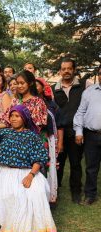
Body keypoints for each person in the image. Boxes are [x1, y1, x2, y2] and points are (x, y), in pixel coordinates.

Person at [52, 58, 85, 204]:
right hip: (59, 132)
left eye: (69, 68)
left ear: (74, 70)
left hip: (76, 132)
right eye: (63, 68)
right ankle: (55, 190)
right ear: (60, 71)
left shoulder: (84, 86)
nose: (66, 71)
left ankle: (76, 191)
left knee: (75, 163)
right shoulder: (53, 89)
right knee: (58, 162)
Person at [73, 65, 101, 205]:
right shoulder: (89, 92)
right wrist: (79, 131)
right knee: (91, 167)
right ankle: (90, 195)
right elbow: (80, 112)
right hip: (92, 135)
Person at [36, 77, 63, 204]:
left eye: (38, 84)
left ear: (43, 87)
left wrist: (60, 143)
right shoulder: (26, 102)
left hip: (47, 139)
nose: (35, 87)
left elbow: (59, 124)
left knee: (46, 166)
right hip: (32, 139)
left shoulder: (51, 104)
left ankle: (47, 196)